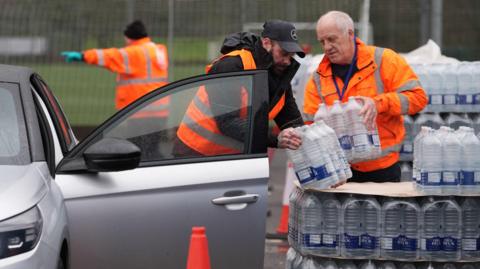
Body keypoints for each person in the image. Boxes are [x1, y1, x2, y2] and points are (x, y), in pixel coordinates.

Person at [303, 11, 428, 183]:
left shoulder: (384, 60)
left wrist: (378, 104)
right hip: (341, 173)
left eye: (331, 39)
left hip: (383, 170)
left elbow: (418, 98)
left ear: (350, 34)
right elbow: (310, 126)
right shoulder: (318, 78)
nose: (326, 47)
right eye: (322, 42)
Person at [174, 20, 305, 157]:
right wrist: (275, 140)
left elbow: (291, 119)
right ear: (266, 43)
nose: (288, 61)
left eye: (292, 56)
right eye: (284, 53)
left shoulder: (278, 74)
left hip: (231, 158)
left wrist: (304, 135)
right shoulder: (231, 66)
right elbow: (228, 122)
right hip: (193, 151)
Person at [61, 20, 170, 159]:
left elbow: (108, 56)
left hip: (141, 112)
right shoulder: (158, 50)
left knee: (141, 152)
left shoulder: (133, 53)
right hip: (160, 112)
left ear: (129, 37)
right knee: (154, 149)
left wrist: (82, 56)